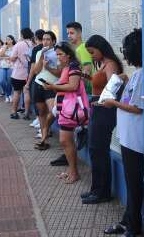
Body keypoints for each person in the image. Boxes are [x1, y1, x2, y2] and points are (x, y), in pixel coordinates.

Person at [102, 29, 144, 237]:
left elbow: (137, 108)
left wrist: (113, 103)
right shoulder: (137, 74)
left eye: (126, 49)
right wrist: (126, 84)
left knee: (135, 184)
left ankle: (134, 227)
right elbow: (132, 100)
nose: (124, 53)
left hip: (137, 142)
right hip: (128, 139)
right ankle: (128, 221)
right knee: (131, 183)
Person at [81, 34, 123, 205]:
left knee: (99, 151)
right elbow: (103, 87)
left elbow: (113, 88)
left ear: (100, 48)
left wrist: (99, 99)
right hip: (98, 109)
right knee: (94, 150)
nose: (91, 56)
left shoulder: (110, 64)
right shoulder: (104, 64)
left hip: (105, 112)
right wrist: (89, 79)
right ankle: (96, 188)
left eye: (92, 52)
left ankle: (102, 191)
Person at [50, 22, 93, 167]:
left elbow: (86, 70)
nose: (69, 36)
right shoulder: (71, 57)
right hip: (69, 102)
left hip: (78, 100)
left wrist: (77, 83)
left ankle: (73, 169)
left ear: (80, 33)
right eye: (67, 33)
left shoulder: (82, 49)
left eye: (72, 33)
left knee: (69, 137)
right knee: (67, 138)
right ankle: (70, 165)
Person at [42, 41, 83, 184]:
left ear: (69, 54)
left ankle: (74, 172)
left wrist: (53, 86)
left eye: (60, 54)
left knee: (65, 140)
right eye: (57, 54)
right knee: (65, 141)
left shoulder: (73, 67)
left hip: (69, 109)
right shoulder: (67, 67)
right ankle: (71, 170)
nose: (58, 57)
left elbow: (73, 86)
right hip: (64, 108)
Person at [32, 31, 59, 150]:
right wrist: (42, 56)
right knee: (41, 113)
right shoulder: (39, 52)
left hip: (51, 86)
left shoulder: (58, 53)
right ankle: (44, 138)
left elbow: (60, 73)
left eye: (48, 39)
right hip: (38, 84)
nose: (45, 42)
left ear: (53, 41)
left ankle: (45, 130)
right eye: (43, 39)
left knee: (53, 111)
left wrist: (48, 67)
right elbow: (37, 71)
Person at [9, 28, 33, 119]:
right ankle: (27, 113)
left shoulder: (19, 44)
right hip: (29, 73)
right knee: (27, 93)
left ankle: (14, 112)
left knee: (16, 92)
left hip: (18, 73)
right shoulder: (33, 44)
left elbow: (12, 58)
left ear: (22, 35)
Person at [25, 29, 45, 129]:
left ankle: (39, 119)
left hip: (36, 78)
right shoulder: (48, 48)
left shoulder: (36, 48)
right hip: (46, 78)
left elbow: (33, 67)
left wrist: (28, 82)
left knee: (36, 100)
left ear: (36, 38)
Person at [0, 35, 16, 102]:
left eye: (8, 39)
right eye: (6, 39)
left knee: (9, 82)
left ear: (12, 40)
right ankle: (7, 94)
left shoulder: (15, 47)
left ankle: (9, 95)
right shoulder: (3, 47)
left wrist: (4, 56)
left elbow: (13, 57)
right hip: (3, 66)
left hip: (11, 66)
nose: (7, 41)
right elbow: (0, 55)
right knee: (1, 81)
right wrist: (5, 48)